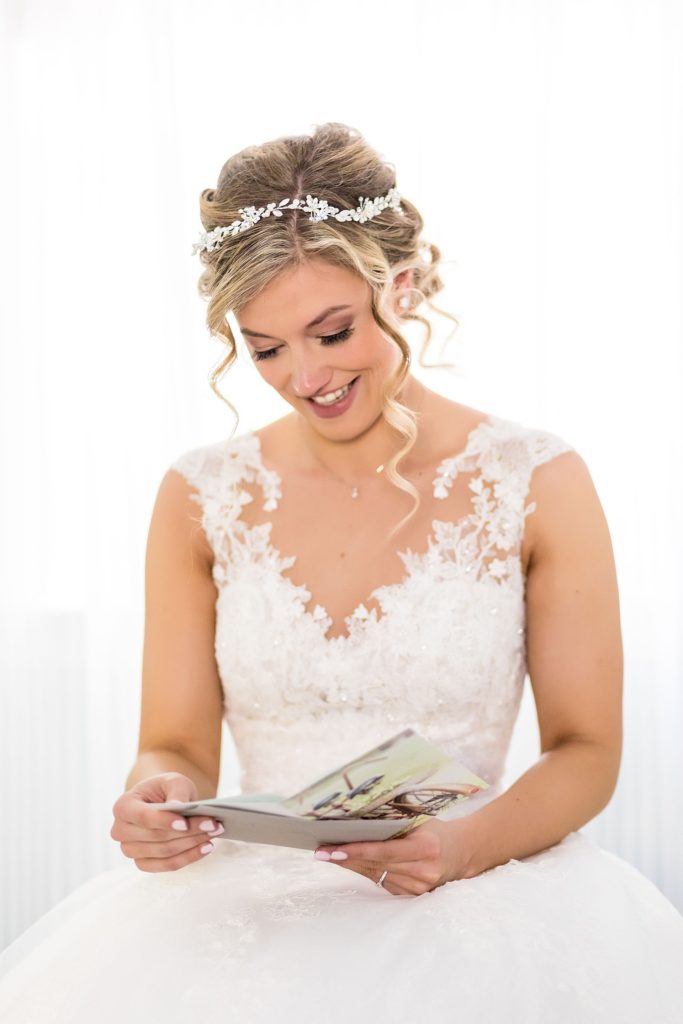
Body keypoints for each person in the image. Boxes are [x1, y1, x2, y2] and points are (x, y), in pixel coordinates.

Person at [1, 121, 682, 1023]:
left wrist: (465, 845)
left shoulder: (535, 479)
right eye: (267, 348)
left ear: (400, 286)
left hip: (476, 897)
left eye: (331, 330)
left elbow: (587, 751)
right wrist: (152, 793)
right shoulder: (199, 494)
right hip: (247, 915)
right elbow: (174, 742)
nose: (305, 376)